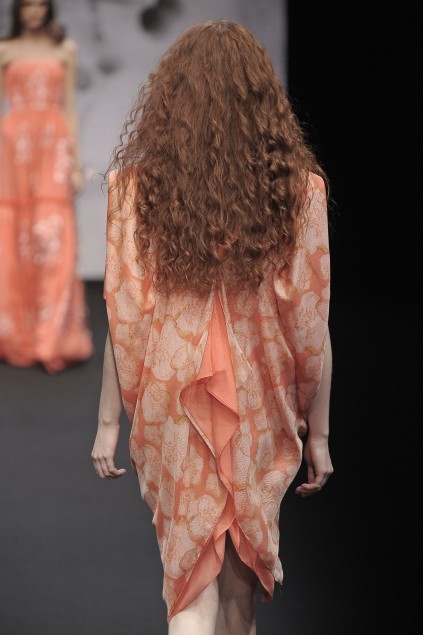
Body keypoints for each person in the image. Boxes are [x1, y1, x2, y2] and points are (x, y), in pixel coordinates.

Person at [91, 20, 333, 635]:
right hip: (256, 396)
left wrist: (110, 424)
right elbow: (311, 321)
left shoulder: (135, 190)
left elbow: (124, 314)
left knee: (189, 583)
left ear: (172, 100)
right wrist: (319, 433)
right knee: (238, 592)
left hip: (174, 395)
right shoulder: (298, 193)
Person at [0, 0, 93, 373]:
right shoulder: (5, 49)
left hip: (53, 146)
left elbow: (69, 107)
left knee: (52, 234)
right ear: (19, 10)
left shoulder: (65, 49)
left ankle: (51, 336)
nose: (34, 11)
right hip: (15, 147)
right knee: (13, 234)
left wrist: (76, 164)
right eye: (28, 5)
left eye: (40, 4)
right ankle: (16, 334)